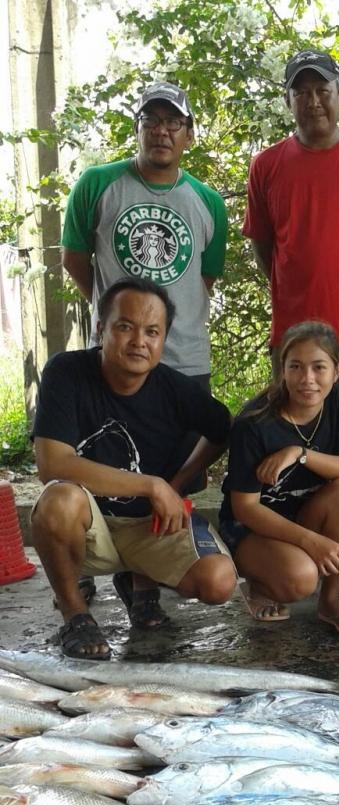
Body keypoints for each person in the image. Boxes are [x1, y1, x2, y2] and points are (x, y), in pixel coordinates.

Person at [61, 81, 228, 603]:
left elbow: (204, 280)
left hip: (183, 360)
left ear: (189, 134)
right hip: (111, 361)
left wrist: (160, 331)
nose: (161, 131)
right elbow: (74, 259)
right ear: (137, 128)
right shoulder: (97, 184)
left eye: (173, 122)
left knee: (166, 474)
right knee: (98, 456)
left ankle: (143, 584)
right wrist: (119, 323)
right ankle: (78, 561)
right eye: (151, 120)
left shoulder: (207, 202)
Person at [243, 49, 339, 583]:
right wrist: (292, 294)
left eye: (322, 89)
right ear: (288, 100)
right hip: (294, 339)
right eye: (301, 91)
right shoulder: (266, 166)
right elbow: (265, 247)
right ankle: (286, 538)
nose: (313, 101)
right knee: (284, 439)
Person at [31, 277, 237, 660]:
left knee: (219, 582)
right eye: (125, 326)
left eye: (152, 331)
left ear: (164, 339)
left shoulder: (177, 389)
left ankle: (138, 577)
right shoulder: (67, 372)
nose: (139, 341)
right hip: (89, 527)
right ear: (101, 328)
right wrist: (152, 486)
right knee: (58, 499)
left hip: (151, 527)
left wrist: (173, 486)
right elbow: (52, 464)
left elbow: (223, 430)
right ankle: (75, 615)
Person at [219, 321, 339, 638]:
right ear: (282, 370)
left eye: (319, 368)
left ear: (336, 371)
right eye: (296, 367)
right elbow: (245, 508)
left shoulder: (337, 401)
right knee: (300, 579)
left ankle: (330, 600)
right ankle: (258, 583)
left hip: (306, 515)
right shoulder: (254, 422)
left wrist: (301, 453)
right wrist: (310, 542)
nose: (308, 380)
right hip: (253, 529)